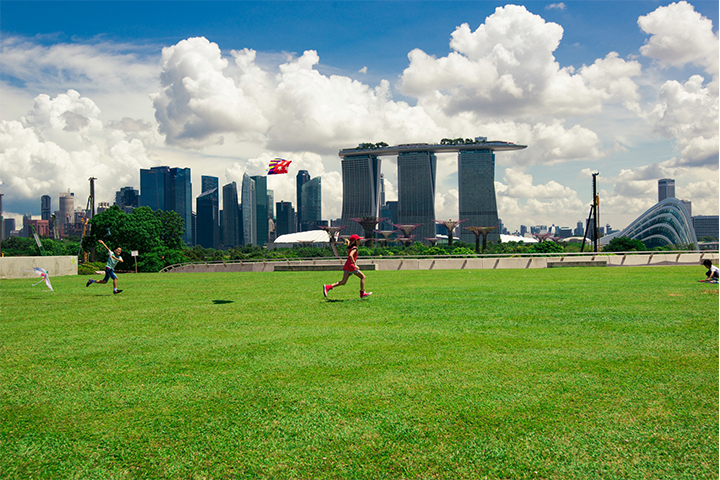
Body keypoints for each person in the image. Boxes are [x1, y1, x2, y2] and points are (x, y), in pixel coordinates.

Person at [323, 234, 372, 299]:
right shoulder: (355, 248)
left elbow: (349, 246)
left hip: (347, 266)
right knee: (363, 277)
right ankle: (362, 293)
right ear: (355, 241)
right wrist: (355, 264)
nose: (360, 241)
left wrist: (348, 242)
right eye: (358, 240)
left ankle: (328, 287)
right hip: (351, 266)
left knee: (343, 282)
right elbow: (351, 255)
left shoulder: (351, 247)